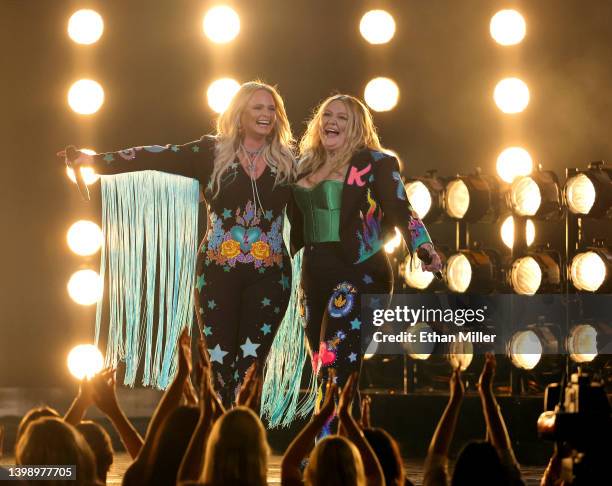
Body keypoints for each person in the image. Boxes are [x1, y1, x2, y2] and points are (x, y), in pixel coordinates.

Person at [63, 81, 296, 403]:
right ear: (239, 114)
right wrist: (97, 161)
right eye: (258, 107)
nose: (266, 114)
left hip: (270, 277)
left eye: (272, 109)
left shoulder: (291, 161)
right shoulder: (209, 152)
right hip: (217, 273)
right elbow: (157, 155)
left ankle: (245, 445)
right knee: (217, 365)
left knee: (251, 368)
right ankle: (214, 444)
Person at [288, 94, 442, 422]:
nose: (332, 121)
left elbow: (401, 208)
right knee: (322, 365)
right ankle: (344, 447)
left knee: (335, 363)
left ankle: (327, 446)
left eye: (342, 118)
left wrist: (424, 247)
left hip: (359, 270)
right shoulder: (304, 163)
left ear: (356, 127)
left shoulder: (374, 162)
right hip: (314, 272)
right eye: (327, 114)